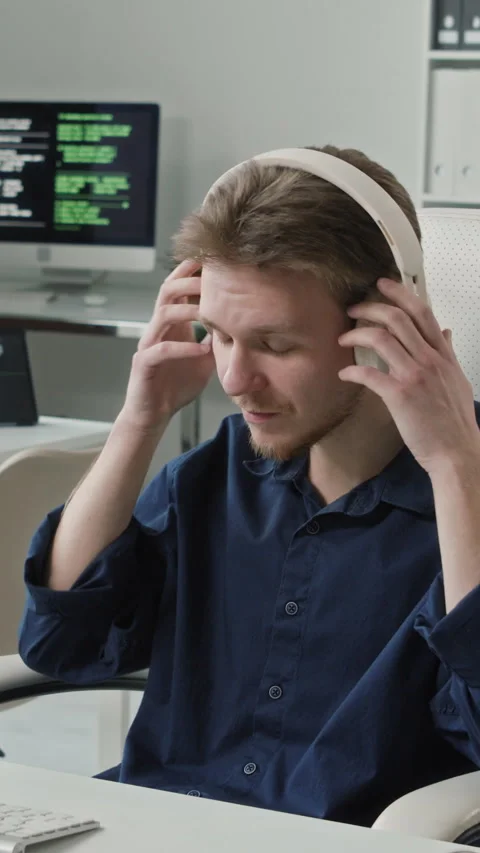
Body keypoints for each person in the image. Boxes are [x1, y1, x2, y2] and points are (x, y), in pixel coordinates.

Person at [19, 145, 480, 828]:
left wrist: (457, 471)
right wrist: (140, 418)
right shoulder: (216, 472)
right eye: (219, 334)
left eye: (276, 344)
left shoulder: (462, 490)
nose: (234, 379)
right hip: (152, 826)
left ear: (383, 332)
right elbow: (61, 643)